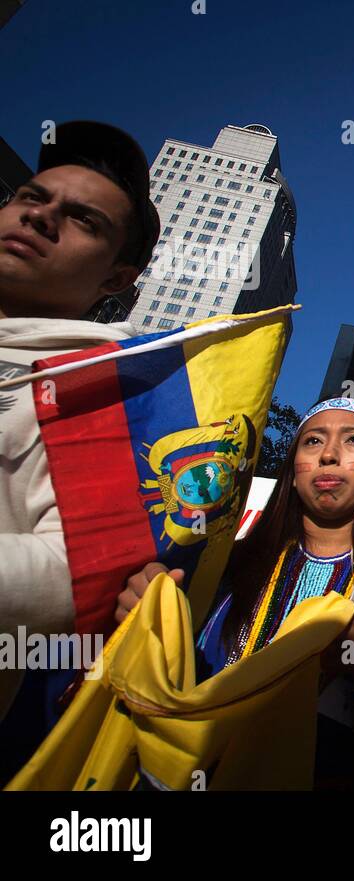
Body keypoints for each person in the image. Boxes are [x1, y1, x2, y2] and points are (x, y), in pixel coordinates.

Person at [114, 396, 354, 789]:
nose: (328, 454)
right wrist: (145, 620)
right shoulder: (226, 561)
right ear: (292, 470)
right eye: (312, 441)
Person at [0, 121, 159, 743]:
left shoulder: (105, 390)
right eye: (30, 199)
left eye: (83, 220)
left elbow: (75, 573)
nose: (40, 218)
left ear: (116, 280)